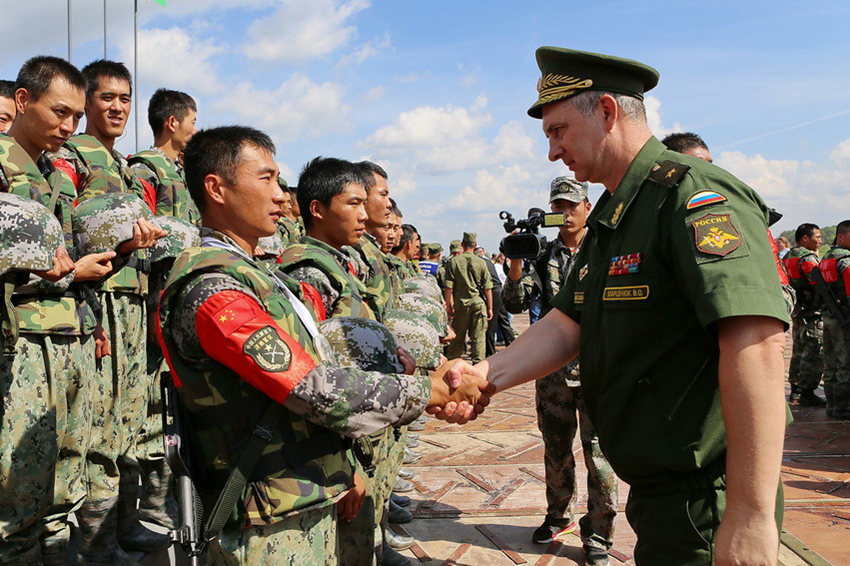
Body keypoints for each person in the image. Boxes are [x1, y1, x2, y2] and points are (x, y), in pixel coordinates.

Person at [440, 46, 789, 566]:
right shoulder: (618, 210)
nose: (553, 152)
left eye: (557, 131)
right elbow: (566, 322)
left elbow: (757, 347)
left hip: (709, 497)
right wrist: (484, 372)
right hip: (660, 493)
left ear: (606, 111)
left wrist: (752, 514)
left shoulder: (692, 197)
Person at [159, 125, 486, 564]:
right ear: (217, 188)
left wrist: (345, 465)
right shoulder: (213, 290)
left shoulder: (257, 276)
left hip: (297, 496)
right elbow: (311, 386)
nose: (280, 196)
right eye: (267, 179)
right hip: (264, 520)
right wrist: (431, 390)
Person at [53, 58, 169, 563]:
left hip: (134, 300)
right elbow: (60, 234)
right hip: (97, 302)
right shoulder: (72, 156)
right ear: (87, 102)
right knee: (96, 426)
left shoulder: (121, 164)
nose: (117, 106)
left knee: (128, 420)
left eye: (125, 98)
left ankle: (122, 527)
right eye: (107, 98)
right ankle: (96, 545)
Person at [0, 55, 108, 566]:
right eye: (59, 112)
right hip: (17, 346)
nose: (69, 127)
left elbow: (63, 256)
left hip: (67, 340)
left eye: (76, 119)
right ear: (22, 101)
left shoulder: (56, 175)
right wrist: (64, 272)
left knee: (64, 488)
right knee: (16, 498)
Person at [501, 176, 616, 560]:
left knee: (599, 454)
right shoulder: (541, 254)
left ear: (587, 207)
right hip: (553, 371)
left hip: (600, 368)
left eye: (572, 205)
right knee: (556, 449)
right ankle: (558, 514)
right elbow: (516, 304)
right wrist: (515, 263)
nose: (565, 213)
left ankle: (599, 532)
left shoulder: (607, 249)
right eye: (558, 207)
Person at [128, 88, 200, 224]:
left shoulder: (182, 172)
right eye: (192, 123)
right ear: (172, 123)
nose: (195, 131)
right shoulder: (144, 169)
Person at [784, 223, 826, 406]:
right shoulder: (808, 259)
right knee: (814, 351)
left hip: (798, 310)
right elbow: (820, 285)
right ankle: (807, 391)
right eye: (817, 237)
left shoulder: (788, 256)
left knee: (798, 350)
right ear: (805, 239)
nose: (820, 241)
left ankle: (795, 390)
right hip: (812, 312)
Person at [444, 232, 493, 364]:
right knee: (479, 338)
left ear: (462, 245)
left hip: (461, 305)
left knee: (457, 338)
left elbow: (449, 288)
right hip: (478, 303)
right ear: (475, 245)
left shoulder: (453, 262)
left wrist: (449, 305)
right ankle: (478, 366)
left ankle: (453, 365)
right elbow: (487, 288)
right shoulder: (481, 262)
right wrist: (490, 308)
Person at [818, 221, 850, 419]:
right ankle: (843, 408)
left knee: (830, 363)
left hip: (828, 316)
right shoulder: (845, 260)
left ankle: (832, 405)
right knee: (845, 364)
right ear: (841, 237)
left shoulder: (825, 258)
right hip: (843, 318)